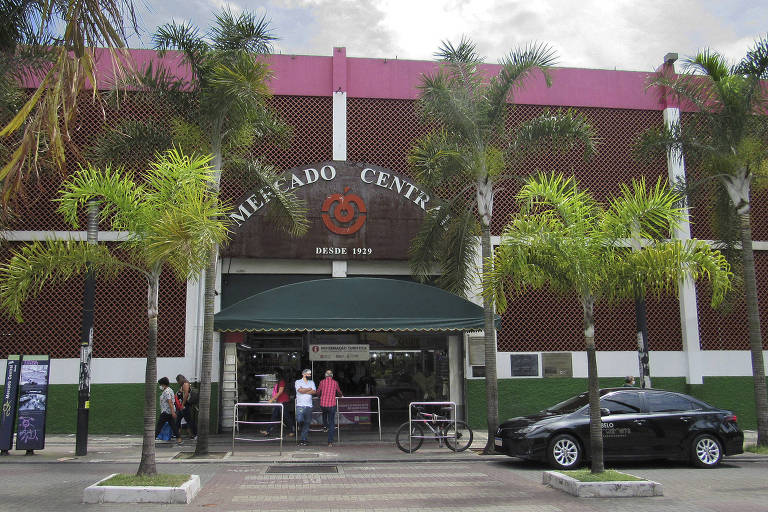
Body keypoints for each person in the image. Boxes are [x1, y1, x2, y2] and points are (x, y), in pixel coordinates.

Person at [265, 369, 295, 438]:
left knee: (285, 417)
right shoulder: (281, 381)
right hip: (280, 401)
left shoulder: (281, 381)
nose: (274, 375)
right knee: (275, 416)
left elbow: (280, 391)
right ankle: (268, 430)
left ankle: (292, 430)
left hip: (283, 401)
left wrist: (272, 400)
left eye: (275, 374)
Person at [317, 369, 343, 446]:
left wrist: (318, 396)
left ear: (325, 375)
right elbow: (339, 392)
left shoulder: (322, 382)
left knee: (324, 415)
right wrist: (341, 395)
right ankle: (330, 442)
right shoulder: (335, 383)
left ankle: (325, 426)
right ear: (332, 376)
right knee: (331, 422)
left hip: (323, 404)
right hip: (332, 405)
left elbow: (318, 392)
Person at [155, 377, 182, 444]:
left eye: (160, 384)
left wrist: (172, 412)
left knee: (159, 425)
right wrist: (172, 412)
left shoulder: (167, 391)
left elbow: (170, 402)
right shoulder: (170, 390)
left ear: (163, 384)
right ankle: (179, 438)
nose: (160, 386)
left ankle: (152, 438)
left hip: (166, 412)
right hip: (169, 412)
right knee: (173, 425)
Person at [295, 369, 317, 446]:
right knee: (299, 419)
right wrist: (308, 389)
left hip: (309, 405)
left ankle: (303, 440)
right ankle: (301, 429)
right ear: (303, 374)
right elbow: (300, 390)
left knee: (307, 423)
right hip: (300, 405)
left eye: (310, 374)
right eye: (308, 374)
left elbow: (314, 392)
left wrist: (303, 390)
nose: (309, 375)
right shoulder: (298, 382)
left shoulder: (312, 382)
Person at [175, 374, 197, 441]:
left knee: (189, 421)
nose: (177, 382)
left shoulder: (185, 384)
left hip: (185, 406)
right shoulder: (183, 385)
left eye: (177, 381)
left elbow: (186, 395)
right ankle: (178, 435)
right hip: (183, 406)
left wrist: (182, 405)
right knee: (179, 420)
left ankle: (195, 434)